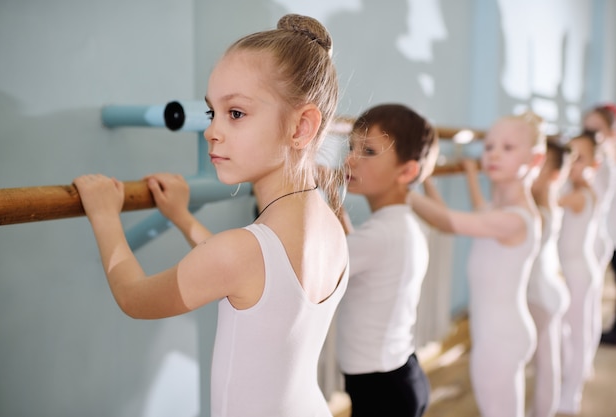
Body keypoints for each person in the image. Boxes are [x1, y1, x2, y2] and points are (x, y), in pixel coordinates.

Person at [73, 14, 349, 417]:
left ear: (301, 126)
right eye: (211, 113)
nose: (211, 132)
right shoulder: (332, 226)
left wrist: (104, 215)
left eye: (235, 113)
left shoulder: (241, 252)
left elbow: (135, 298)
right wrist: (183, 217)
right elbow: (252, 278)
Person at [409, 111, 545, 417]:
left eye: (508, 148)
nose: (494, 154)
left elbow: (448, 221)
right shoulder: (500, 209)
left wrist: (399, 184)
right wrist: (424, 179)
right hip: (499, 331)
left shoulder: (514, 219)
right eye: (489, 146)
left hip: (500, 336)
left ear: (535, 161)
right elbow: (451, 221)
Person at [336, 103, 438, 417]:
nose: (351, 158)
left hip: (381, 389)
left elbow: (321, 263)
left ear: (406, 171)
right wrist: (334, 204)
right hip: (399, 374)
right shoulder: (399, 226)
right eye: (351, 146)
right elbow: (351, 248)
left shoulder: (381, 235)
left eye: (368, 151)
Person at [557, 131, 603, 415]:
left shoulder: (579, 195)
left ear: (594, 165)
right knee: (570, 333)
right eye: (569, 156)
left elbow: (547, 203)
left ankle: (571, 396)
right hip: (571, 270)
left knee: (577, 333)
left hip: (579, 272)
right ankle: (568, 388)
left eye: (579, 158)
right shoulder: (574, 191)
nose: (571, 163)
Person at [526, 139, 572, 417]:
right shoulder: (552, 205)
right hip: (551, 289)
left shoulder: (537, 212)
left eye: (538, 166)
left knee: (544, 365)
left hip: (540, 295)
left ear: (554, 175)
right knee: (548, 362)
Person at [583, 104, 616, 346]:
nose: (589, 135)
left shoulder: (602, 161)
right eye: (586, 129)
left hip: (605, 233)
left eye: (596, 129)